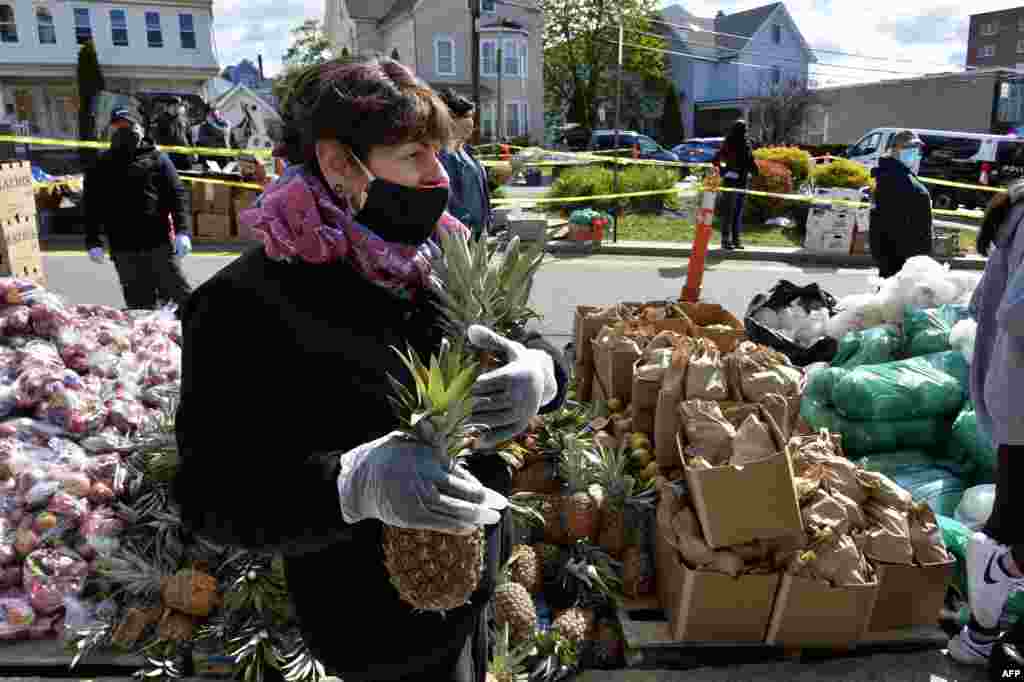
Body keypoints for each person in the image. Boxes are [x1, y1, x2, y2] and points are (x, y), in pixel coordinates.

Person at [170, 57, 569, 682]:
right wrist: (347, 485)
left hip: (474, 582)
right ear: (337, 164)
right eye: (412, 155)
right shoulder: (241, 303)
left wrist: (544, 373)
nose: (438, 175)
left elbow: (525, 339)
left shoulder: (439, 256)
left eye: (437, 153)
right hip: (370, 629)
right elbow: (209, 495)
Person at [948, 183, 1024, 674]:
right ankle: (1007, 568)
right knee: (1009, 526)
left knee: (1010, 520)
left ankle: (980, 641)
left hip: (1012, 393)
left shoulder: (1016, 211)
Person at [84, 108, 193, 310]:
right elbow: (92, 205)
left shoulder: (157, 159)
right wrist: (93, 241)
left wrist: (182, 231)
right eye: (117, 127)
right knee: (140, 306)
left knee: (180, 299)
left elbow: (177, 196)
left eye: (129, 126)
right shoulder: (100, 164)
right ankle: (155, 342)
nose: (123, 131)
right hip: (123, 247)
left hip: (157, 243)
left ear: (140, 129)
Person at [869, 130, 933, 278]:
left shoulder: (892, 174)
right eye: (910, 148)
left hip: (896, 260)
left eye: (917, 149)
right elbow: (898, 226)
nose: (916, 153)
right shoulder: (895, 178)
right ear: (895, 150)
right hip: (901, 262)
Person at [437, 89, 492, 240]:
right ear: (451, 118)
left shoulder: (466, 151)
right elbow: (448, 198)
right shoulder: (444, 155)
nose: (472, 122)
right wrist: (462, 227)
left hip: (479, 233)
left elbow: (477, 189)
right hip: (460, 235)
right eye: (467, 116)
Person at [712, 120, 759, 250]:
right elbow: (716, 159)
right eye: (744, 129)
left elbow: (750, 160)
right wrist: (725, 171)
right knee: (729, 212)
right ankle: (725, 240)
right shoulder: (728, 143)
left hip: (742, 181)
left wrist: (755, 171)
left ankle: (736, 239)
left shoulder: (747, 143)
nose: (745, 132)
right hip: (731, 181)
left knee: (737, 212)